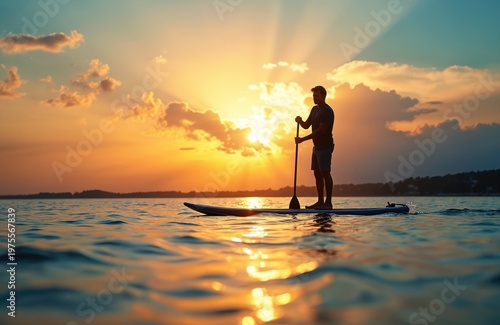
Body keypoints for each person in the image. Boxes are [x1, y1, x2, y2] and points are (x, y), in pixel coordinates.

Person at [295, 85, 335, 209]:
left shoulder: (327, 111)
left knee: (325, 173)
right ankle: (320, 201)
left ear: (323, 96)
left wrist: (302, 139)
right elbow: (307, 125)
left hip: (325, 147)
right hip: (316, 147)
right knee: (317, 174)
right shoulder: (314, 109)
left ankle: (328, 203)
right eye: (313, 96)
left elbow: (321, 131)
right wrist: (300, 121)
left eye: (317, 96)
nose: (314, 98)